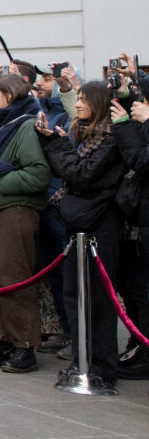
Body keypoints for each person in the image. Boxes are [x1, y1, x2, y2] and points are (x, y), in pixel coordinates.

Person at [37, 80, 128, 388]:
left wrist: (57, 146)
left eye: (83, 99)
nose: (77, 104)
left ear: (99, 104)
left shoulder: (110, 137)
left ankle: (100, 366)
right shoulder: (84, 134)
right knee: (75, 295)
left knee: (99, 300)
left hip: (101, 227)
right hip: (80, 227)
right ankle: (82, 360)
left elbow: (82, 174)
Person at [0, 73, 50, 373]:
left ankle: (24, 345)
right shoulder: (1, 126)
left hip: (15, 210)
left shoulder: (27, 126)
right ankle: (0, 339)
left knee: (14, 279)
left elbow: (38, 174)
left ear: (10, 94)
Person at [112, 87, 149, 380]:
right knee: (134, 290)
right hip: (137, 221)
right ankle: (139, 345)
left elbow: (141, 159)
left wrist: (134, 125)